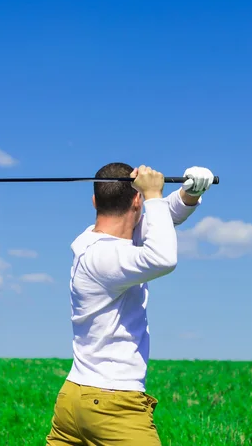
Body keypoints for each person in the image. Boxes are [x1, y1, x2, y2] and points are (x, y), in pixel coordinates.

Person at [46, 163, 214, 446]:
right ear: (137, 200)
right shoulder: (106, 257)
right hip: (113, 404)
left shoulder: (97, 241)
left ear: (95, 201)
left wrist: (190, 193)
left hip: (73, 399)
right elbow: (162, 257)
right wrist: (152, 194)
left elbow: (163, 217)